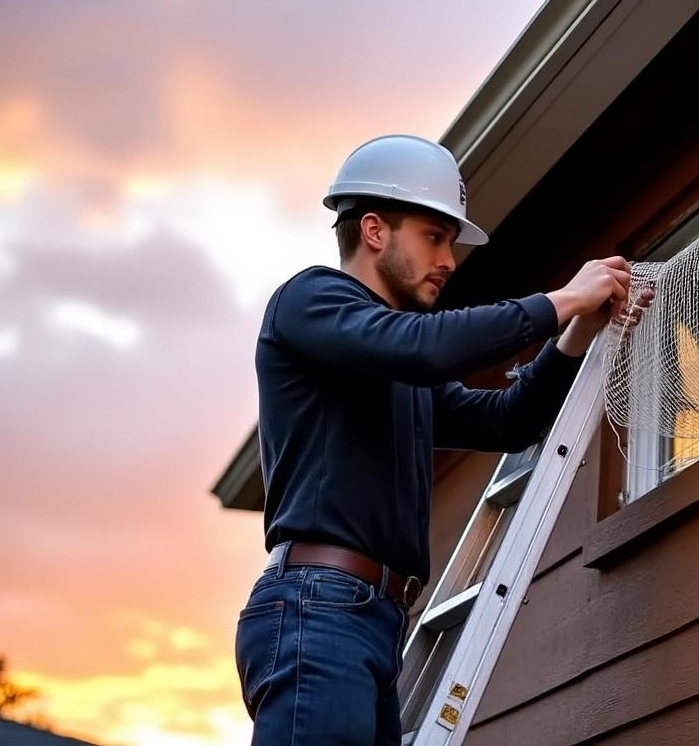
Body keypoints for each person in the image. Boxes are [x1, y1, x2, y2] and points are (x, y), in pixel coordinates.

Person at [233, 134, 651, 745]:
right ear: (374, 230)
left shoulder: (399, 371)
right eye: (434, 237)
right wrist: (562, 300)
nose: (449, 260)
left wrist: (576, 334)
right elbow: (423, 348)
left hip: (372, 621)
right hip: (317, 607)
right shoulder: (311, 300)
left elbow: (506, 421)